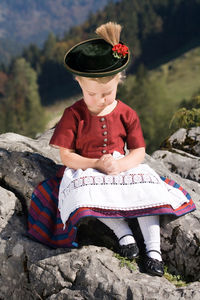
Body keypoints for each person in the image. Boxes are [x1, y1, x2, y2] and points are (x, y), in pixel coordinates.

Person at [28, 22, 196, 277]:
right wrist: (95, 164)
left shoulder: (127, 113)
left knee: (147, 191)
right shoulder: (73, 114)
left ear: (119, 79)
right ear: (78, 83)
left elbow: (138, 151)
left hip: (120, 164)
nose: (99, 100)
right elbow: (66, 156)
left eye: (107, 93)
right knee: (88, 193)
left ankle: (153, 251)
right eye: (91, 93)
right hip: (87, 167)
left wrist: (122, 165)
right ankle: (123, 234)